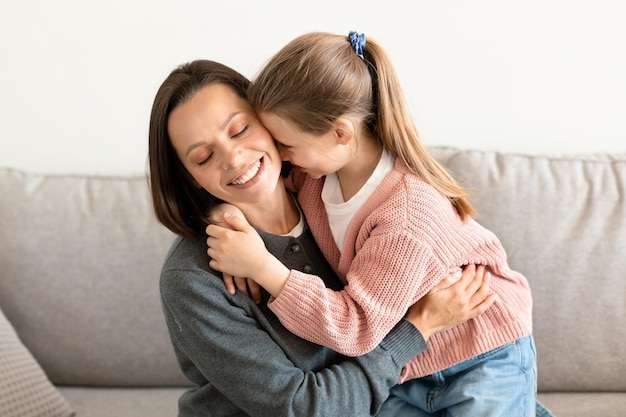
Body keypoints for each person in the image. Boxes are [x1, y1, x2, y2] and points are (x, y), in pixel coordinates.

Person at [205, 31, 551, 417]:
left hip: (482, 351)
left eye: (286, 144)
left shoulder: (404, 215)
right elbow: (255, 191)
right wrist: (227, 215)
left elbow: (356, 328)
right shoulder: (314, 174)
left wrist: (262, 267)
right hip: (411, 365)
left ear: (340, 133)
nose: (279, 155)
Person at [148, 59, 496, 417]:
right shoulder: (192, 279)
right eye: (204, 157)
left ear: (270, 122)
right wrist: (417, 328)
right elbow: (306, 408)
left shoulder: (331, 196)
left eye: (239, 130)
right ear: (191, 177)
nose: (233, 157)